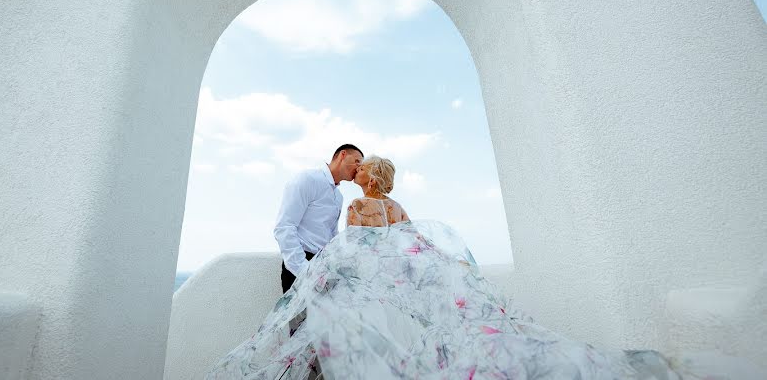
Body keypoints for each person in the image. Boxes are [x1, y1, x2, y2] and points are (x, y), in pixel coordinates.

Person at [210, 156, 751, 379]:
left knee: (328, 338)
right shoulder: (397, 209)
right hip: (368, 280)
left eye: (362, 167)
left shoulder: (355, 207)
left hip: (348, 282)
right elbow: (406, 245)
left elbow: (355, 249)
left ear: (365, 175)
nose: (358, 174)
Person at [274, 144, 363, 294]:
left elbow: (332, 236)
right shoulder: (308, 179)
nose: (359, 167)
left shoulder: (338, 197)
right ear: (342, 154)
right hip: (301, 267)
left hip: (325, 268)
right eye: (357, 161)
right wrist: (304, 270)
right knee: (301, 318)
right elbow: (284, 226)